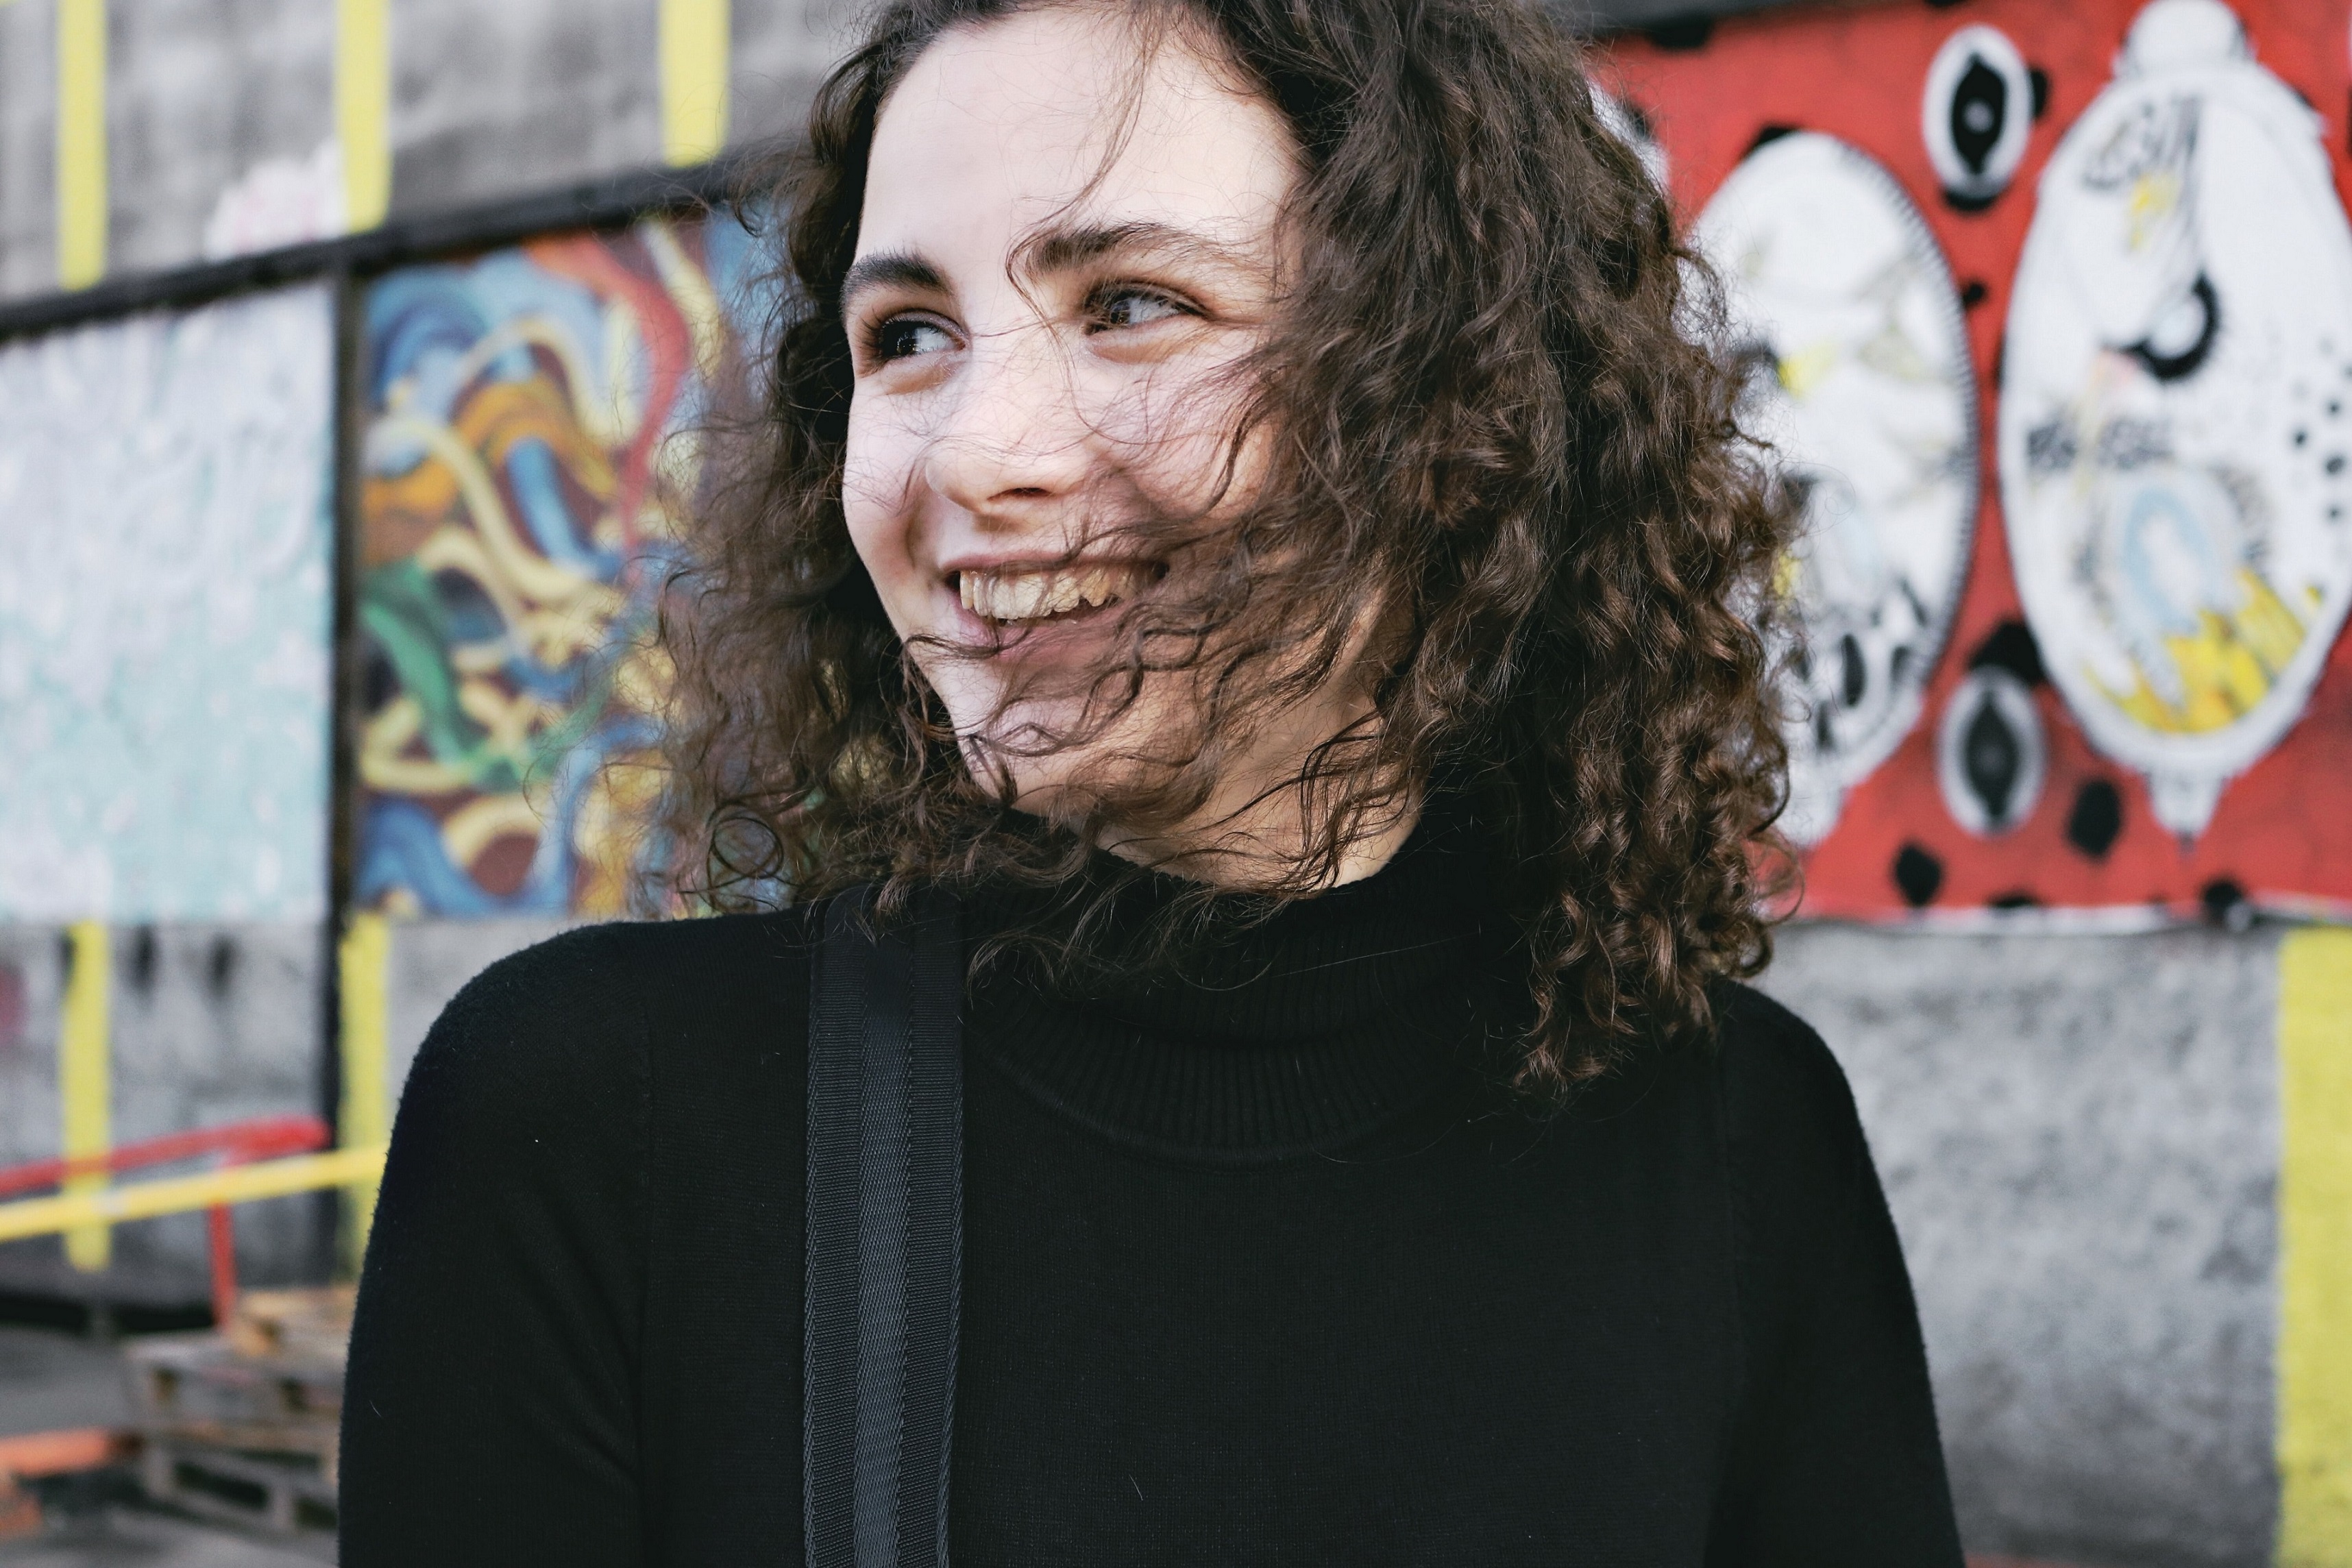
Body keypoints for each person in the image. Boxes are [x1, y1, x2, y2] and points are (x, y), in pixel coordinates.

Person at [340, 0, 1965, 1559]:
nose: (975, 454)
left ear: (1454, 400)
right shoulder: (594, 1127)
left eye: (1131, 302)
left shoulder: (1737, 1146)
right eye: (907, 336)